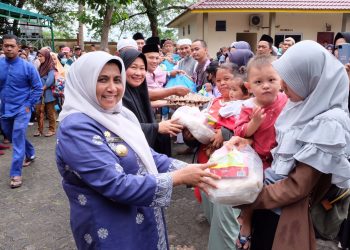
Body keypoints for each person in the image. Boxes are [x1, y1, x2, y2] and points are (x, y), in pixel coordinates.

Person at [55, 51, 220, 249]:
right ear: (84, 82)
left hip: (139, 214)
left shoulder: (119, 114)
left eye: (117, 79)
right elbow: (115, 184)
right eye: (102, 79)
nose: (112, 88)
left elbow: (147, 156)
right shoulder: (76, 127)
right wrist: (179, 177)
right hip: (111, 227)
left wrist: (197, 171)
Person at [233, 40, 350, 250]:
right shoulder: (303, 106)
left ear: (310, 78)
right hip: (271, 202)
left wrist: (247, 197)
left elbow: (297, 187)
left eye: (290, 80)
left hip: (284, 214)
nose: (282, 86)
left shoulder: (328, 122)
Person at [198, 63, 251, 250]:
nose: (224, 85)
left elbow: (245, 135)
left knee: (230, 222)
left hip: (236, 173)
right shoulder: (217, 103)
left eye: (228, 80)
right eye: (218, 80)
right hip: (221, 165)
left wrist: (225, 133)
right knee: (220, 217)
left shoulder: (251, 108)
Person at [120, 49, 183, 156]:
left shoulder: (138, 90)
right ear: (122, 68)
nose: (138, 73)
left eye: (142, 68)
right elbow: (121, 128)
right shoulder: (116, 95)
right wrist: (157, 128)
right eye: (133, 67)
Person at [0, 34, 42, 188]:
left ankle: (15, 174)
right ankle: (30, 153)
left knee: (17, 140)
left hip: (21, 110)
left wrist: (28, 105)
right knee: (12, 136)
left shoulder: (28, 66)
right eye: (6, 45)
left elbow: (37, 88)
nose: (9, 48)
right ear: (2, 47)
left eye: (12, 45)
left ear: (18, 47)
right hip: (4, 109)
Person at [234, 55, 288, 169]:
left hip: (285, 156)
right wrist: (254, 122)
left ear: (281, 81)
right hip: (261, 159)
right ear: (249, 87)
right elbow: (239, 132)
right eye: (258, 82)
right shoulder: (248, 107)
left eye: (271, 80)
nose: (266, 86)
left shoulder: (286, 99)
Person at [34, 49, 57, 137]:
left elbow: (50, 80)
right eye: (38, 56)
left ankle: (52, 129)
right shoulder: (41, 66)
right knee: (38, 111)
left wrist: (42, 88)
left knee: (50, 112)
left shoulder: (51, 66)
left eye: (41, 56)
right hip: (40, 93)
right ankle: (40, 129)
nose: (39, 58)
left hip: (48, 93)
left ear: (46, 56)